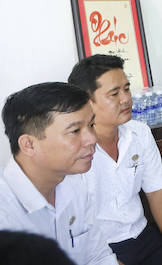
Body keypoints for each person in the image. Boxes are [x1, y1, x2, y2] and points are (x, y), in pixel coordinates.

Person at [68, 55, 162, 265]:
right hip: (98, 249)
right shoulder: (72, 150)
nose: (125, 99)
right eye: (114, 94)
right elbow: (70, 227)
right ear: (87, 102)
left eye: (126, 89)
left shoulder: (139, 133)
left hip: (143, 236)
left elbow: (157, 190)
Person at [0, 82, 118, 265]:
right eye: (75, 131)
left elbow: (98, 257)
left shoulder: (75, 185)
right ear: (29, 145)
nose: (92, 139)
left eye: (91, 125)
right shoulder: (5, 216)